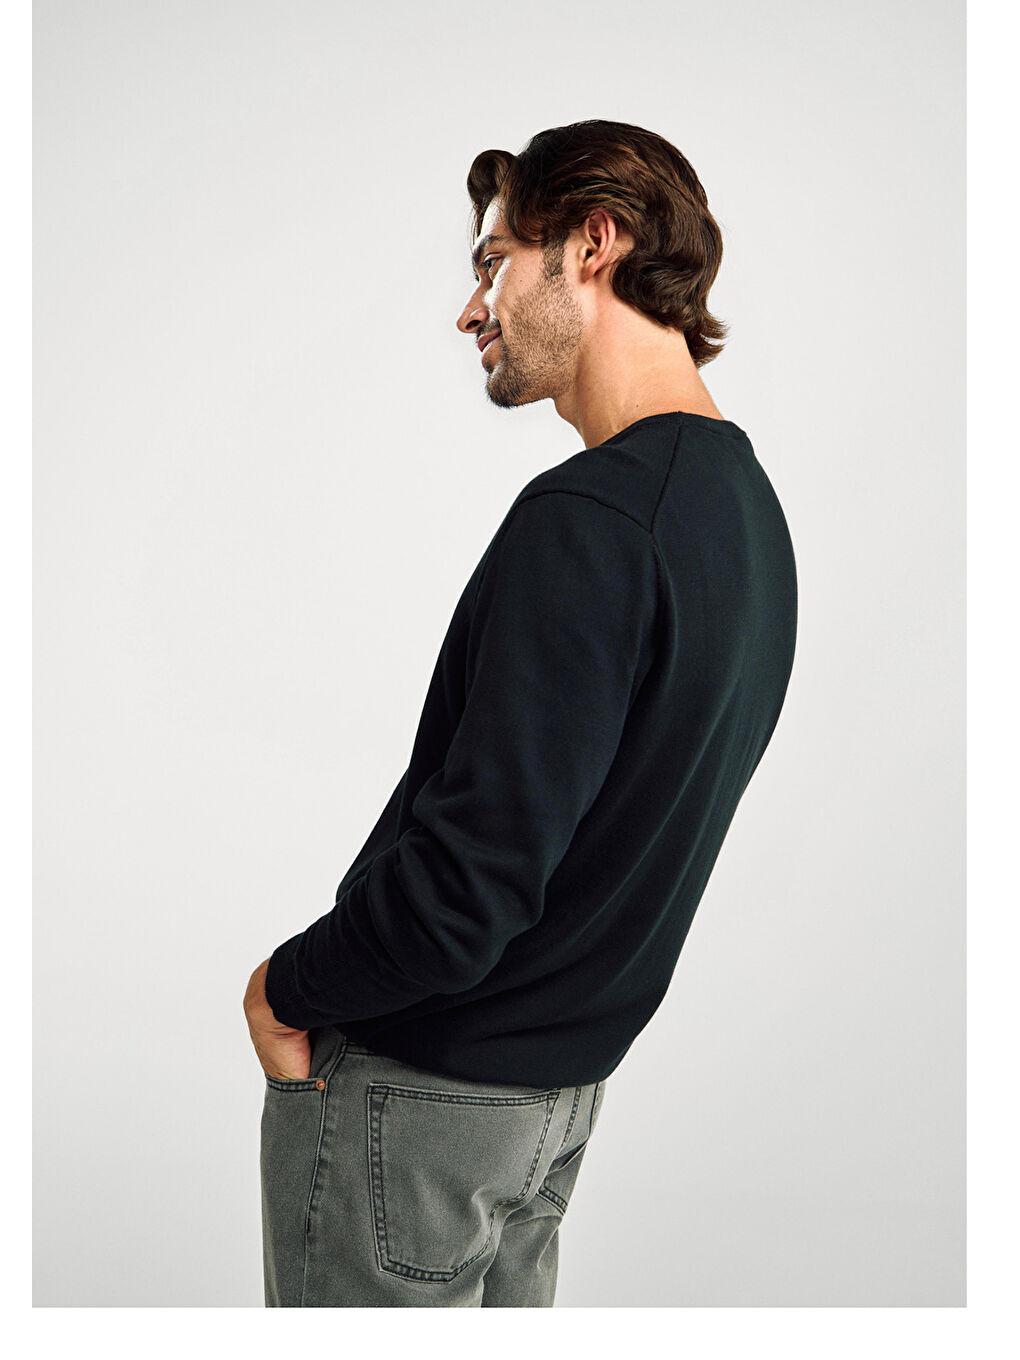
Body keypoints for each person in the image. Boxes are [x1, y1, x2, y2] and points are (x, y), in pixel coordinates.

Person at [243, 118, 798, 1308]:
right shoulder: (747, 516)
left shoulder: (591, 521)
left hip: (417, 1109)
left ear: (593, 244)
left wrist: (284, 987)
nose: (471, 309)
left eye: (493, 262)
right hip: (554, 1110)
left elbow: (464, 893)